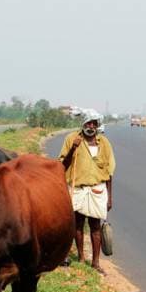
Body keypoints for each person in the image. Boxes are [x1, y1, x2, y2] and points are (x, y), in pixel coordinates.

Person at [59, 114, 115, 273]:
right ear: (83, 124)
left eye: (94, 124)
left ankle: (96, 263)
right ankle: (81, 257)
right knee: (77, 224)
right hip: (77, 188)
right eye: (88, 123)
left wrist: (109, 197)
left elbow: (109, 171)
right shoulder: (72, 139)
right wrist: (73, 148)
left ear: (97, 126)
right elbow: (62, 165)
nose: (91, 126)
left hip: (97, 189)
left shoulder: (104, 143)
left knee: (95, 226)